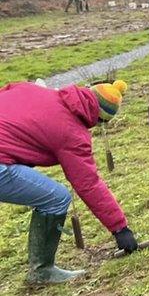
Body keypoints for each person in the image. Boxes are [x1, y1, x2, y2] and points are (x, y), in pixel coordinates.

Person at [0, 80, 141, 284]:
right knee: (56, 198)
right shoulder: (72, 132)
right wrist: (120, 228)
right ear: (99, 118)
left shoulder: (35, 89)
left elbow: (9, 89)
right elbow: (88, 184)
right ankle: (42, 271)